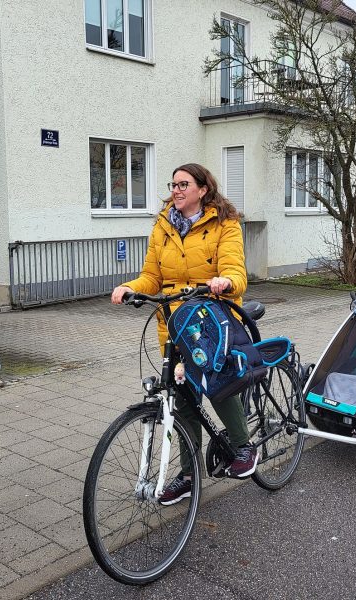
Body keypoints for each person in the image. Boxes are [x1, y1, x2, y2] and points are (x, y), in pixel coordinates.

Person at [111, 163, 255, 505]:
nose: (176, 190)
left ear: (202, 189)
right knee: (181, 399)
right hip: (173, 323)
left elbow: (235, 269)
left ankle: (243, 446)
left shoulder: (225, 222)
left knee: (216, 383)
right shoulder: (163, 225)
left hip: (209, 317)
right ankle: (190, 475)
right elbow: (152, 276)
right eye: (173, 184)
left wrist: (226, 282)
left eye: (183, 184)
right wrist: (131, 287)